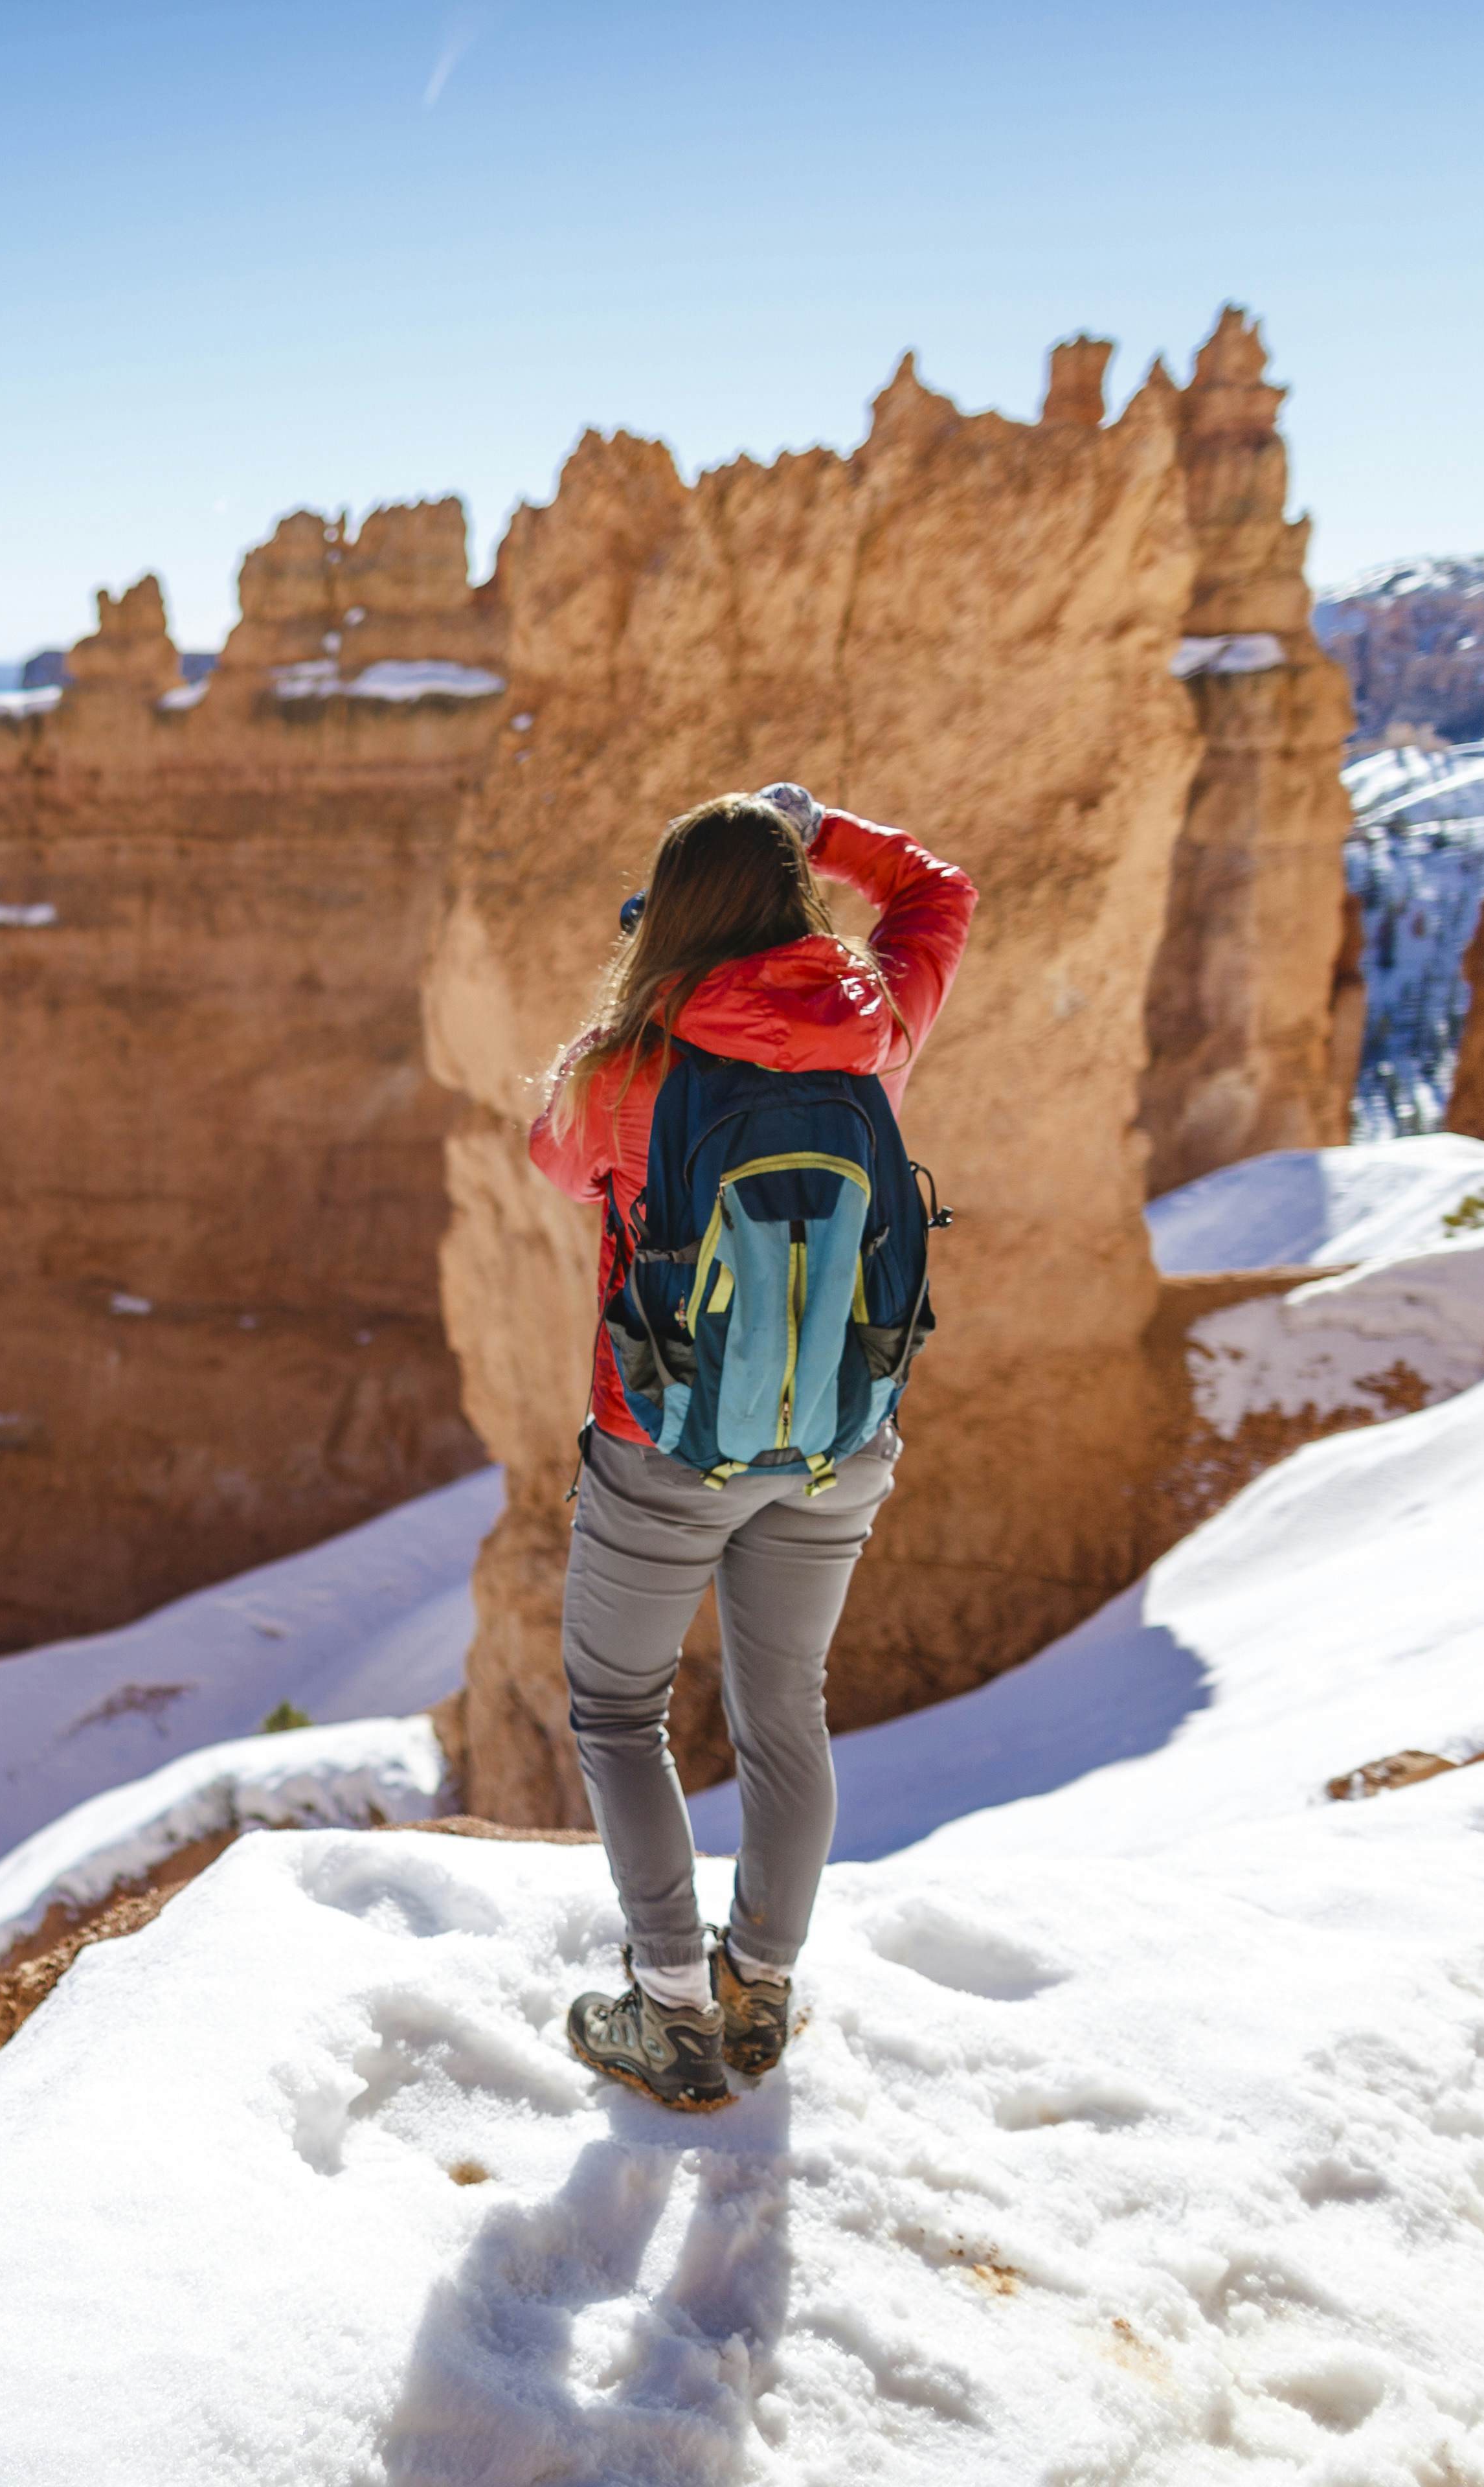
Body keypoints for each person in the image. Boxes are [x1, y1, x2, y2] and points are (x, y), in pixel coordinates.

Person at [528, 783, 974, 2110]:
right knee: (785, 1712)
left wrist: (629, 1003)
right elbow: (938, 894)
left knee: (620, 1709)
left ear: (666, 916)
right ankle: (758, 1991)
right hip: (839, 1438)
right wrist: (820, 824)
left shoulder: (624, 1067)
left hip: (657, 1442)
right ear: (792, 899)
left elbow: (553, 1161)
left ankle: (666, 2013)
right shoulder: (874, 1027)